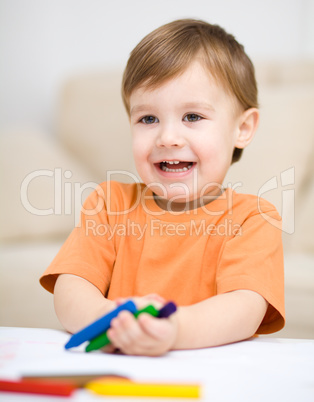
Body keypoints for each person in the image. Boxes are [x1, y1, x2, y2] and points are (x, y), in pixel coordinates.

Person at [40, 19, 285, 356]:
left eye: (193, 117)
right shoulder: (109, 204)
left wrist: (175, 330)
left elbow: (245, 307)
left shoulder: (252, 218)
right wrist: (106, 318)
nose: (167, 138)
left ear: (242, 128)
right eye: (148, 119)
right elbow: (72, 286)